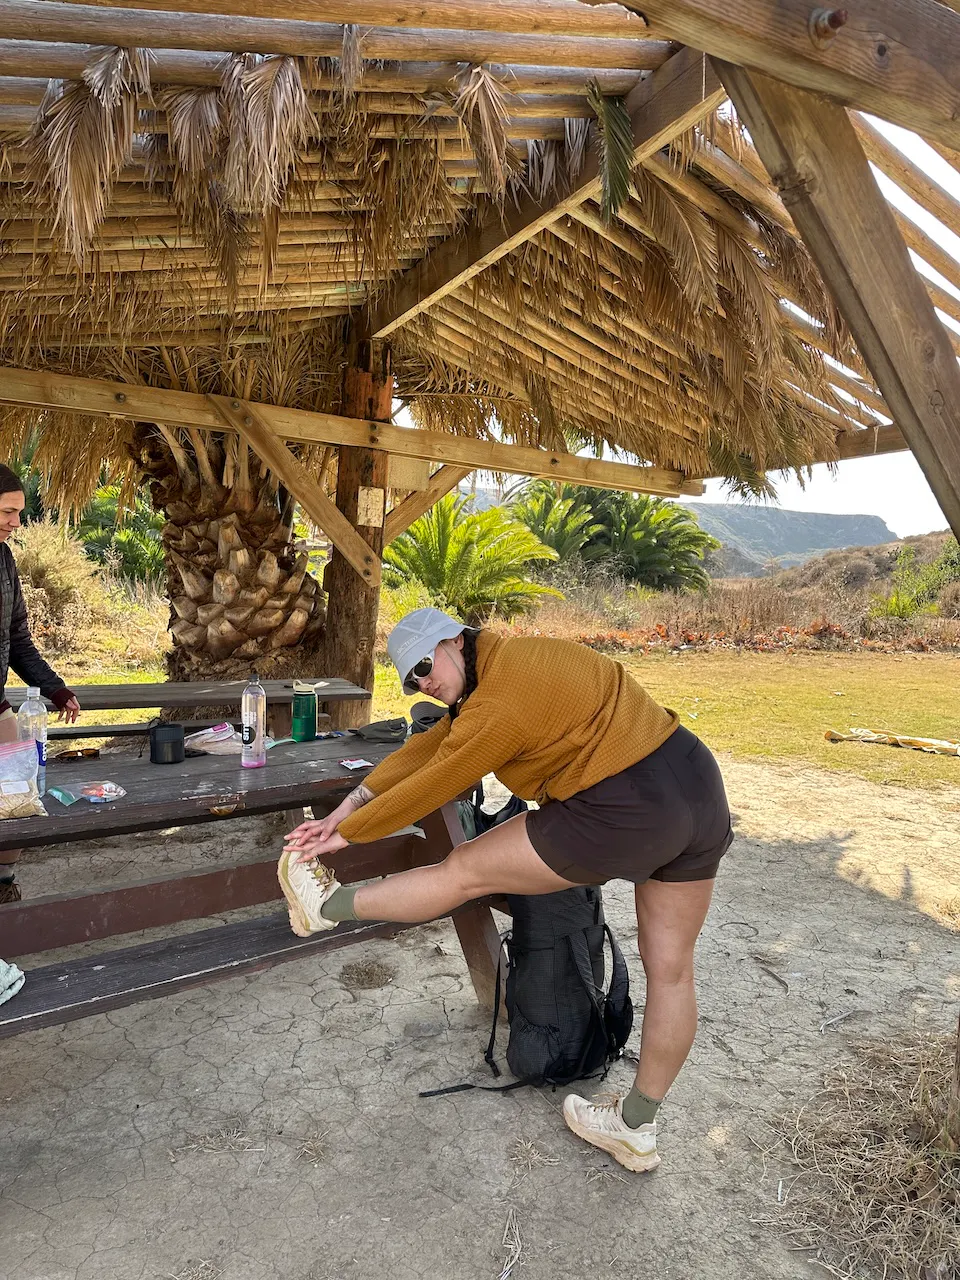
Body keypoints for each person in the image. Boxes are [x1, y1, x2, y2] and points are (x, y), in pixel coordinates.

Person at [279, 607, 733, 1173]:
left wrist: (341, 837)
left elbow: (438, 780)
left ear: (453, 641)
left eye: (424, 666)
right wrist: (348, 806)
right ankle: (636, 1127)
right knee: (672, 970)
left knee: (463, 870)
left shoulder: (498, 699)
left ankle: (325, 907)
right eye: (411, 681)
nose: (424, 684)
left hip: (623, 802)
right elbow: (428, 749)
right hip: (694, 783)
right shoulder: (507, 668)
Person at [0, 466, 81, 904]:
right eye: (8, 512)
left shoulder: (4, 560)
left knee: (18, 800)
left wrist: (55, 689)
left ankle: (3, 885)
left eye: (18, 513)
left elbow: (17, 641)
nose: (16, 523)